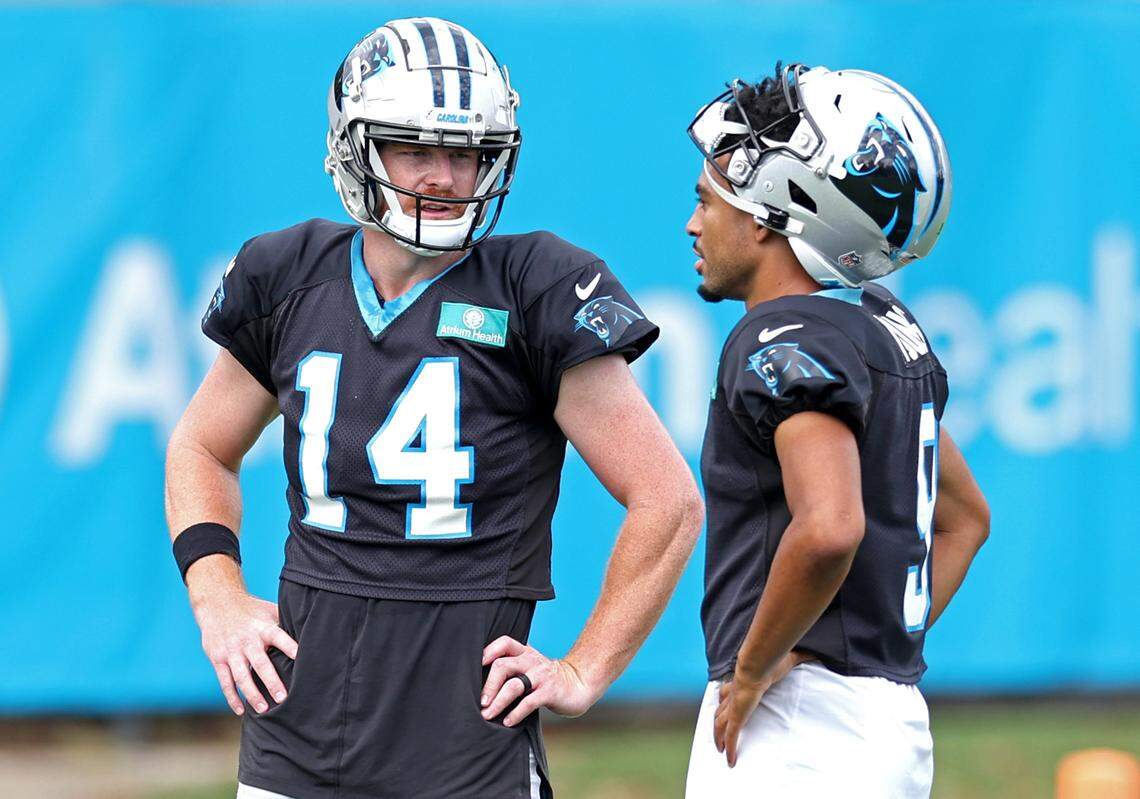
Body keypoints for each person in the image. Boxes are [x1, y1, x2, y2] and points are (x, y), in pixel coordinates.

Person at [165, 17, 702, 799]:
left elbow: (668, 500)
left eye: (465, 153)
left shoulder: (536, 287)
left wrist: (585, 666)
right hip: (294, 730)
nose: (444, 177)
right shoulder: (285, 274)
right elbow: (201, 448)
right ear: (354, 146)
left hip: (463, 741)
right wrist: (215, 592)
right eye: (415, 148)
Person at [682, 63, 990, 798]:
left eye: (708, 201)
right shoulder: (886, 328)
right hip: (888, 720)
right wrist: (868, 641)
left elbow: (828, 527)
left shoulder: (781, 337)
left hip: (800, 729)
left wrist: (760, 661)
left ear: (766, 213)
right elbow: (966, 521)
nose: (695, 224)